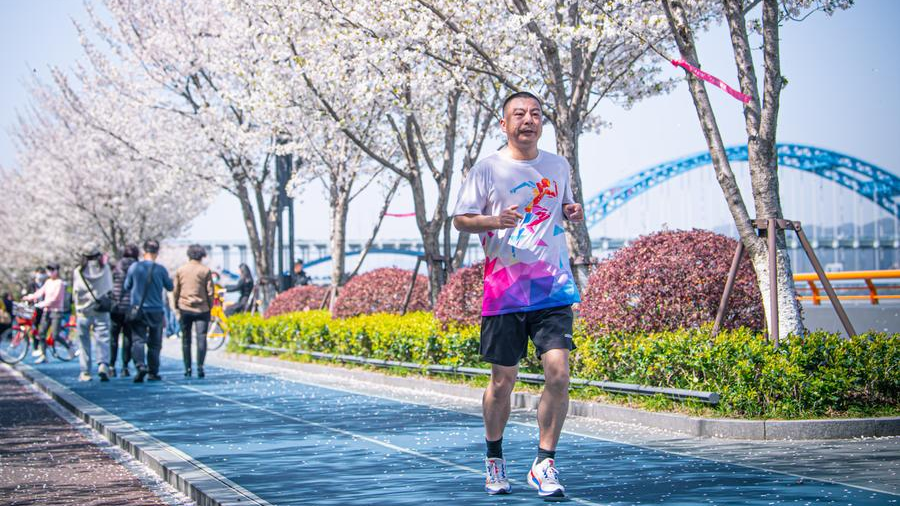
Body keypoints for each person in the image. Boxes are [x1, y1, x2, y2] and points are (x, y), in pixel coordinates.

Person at [452, 91, 584, 499]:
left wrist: (572, 210)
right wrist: (495, 219)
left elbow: (562, 205)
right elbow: (461, 220)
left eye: (535, 114)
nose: (528, 120)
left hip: (551, 286)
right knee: (502, 381)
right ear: (504, 123)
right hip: (504, 290)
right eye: (519, 114)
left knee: (559, 374)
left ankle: (544, 463)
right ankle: (494, 457)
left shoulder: (558, 164)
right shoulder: (488, 168)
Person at [124, 239, 173, 383]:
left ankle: (140, 366)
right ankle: (153, 371)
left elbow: (127, 286)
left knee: (138, 340)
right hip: (156, 310)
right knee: (155, 343)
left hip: (138, 309)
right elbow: (170, 287)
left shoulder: (134, 267)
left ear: (144, 251)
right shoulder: (161, 269)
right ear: (157, 252)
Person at [72, 250, 114, 382]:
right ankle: (103, 365)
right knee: (103, 338)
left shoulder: (78, 271)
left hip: (83, 311)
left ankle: (85, 372)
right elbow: (109, 288)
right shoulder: (105, 269)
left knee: (84, 342)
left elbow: (75, 291)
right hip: (101, 308)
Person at [173, 244, 214, 378]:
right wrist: (210, 306)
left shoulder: (181, 270)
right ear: (202, 255)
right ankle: (200, 367)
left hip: (185, 308)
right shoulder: (205, 270)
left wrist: (176, 305)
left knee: (186, 339)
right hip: (202, 309)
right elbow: (210, 292)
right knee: (201, 338)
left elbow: (176, 290)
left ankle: (188, 368)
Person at [23, 264, 67, 364]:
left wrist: (42, 304)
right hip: (47, 311)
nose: (50, 272)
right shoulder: (47, 282)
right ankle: (43, 355)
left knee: (55, 335)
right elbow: (39, 293)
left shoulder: (60, 283)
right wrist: (29, 297)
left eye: (53, 270)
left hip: (56, 311)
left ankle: (69, 348)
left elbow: (55, 298)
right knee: (41, 333)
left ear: (57, 270)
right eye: (49, 270)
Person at [110, 244, 139, 377]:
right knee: (128, 337)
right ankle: (125, 367)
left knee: (113, 337)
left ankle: (111, 365)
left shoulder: (116, 267)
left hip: (116, 306)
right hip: (130, 307)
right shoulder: (138, 268)